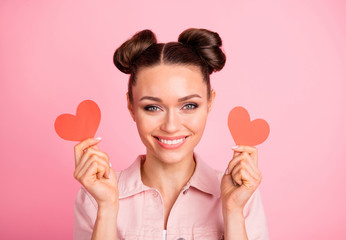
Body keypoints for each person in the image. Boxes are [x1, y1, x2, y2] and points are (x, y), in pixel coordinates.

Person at [73, 28, 269, 240]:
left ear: (210, 102)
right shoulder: (95, 196)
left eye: (189, 105)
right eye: (153, 107)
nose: (171, 126)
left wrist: (232, 211)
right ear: (131, 106)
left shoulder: (241, 195)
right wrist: (107, 208)